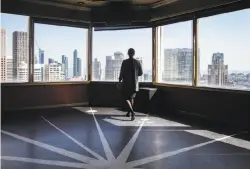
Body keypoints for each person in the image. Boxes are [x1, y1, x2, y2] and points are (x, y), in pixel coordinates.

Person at [118, 48, 143, 121]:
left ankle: (132, 112)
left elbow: (121, 72)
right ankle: (129, 113)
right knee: (131, 98)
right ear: (134, 53)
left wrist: (119, 81)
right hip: (134, 83)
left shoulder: (125, 62)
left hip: (126, 83)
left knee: (125, 98)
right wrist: (135, 75)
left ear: (128, 53)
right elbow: (140, 73)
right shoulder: (137, 62)